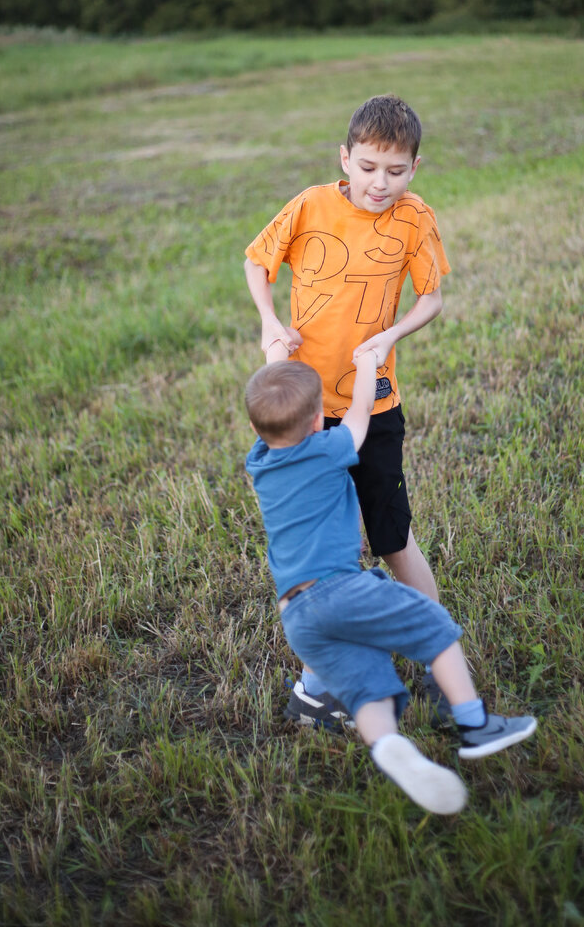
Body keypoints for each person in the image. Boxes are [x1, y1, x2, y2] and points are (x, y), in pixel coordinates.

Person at [244, 354, 537, 815]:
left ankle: (386, 746)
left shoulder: (259, 464)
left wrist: (276, 361)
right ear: (319, 419)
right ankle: (475, 724)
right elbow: (359, 417)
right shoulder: (326, 449)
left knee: (368, 689)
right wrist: (366, 369)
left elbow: (276, 414)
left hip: (297, 618)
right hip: (338, 590)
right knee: (434, 627)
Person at [244, 93, 454, 725]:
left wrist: (391, 336)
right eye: (367, 167)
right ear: (345, 158)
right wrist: (268, 322)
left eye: (395, 170)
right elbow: (258, 261)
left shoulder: (415, 219)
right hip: (309, 410)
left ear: (415, 167)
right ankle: (327, 681)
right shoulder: (311, 205)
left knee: (391, 537)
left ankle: (442, 663)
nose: (379, 183)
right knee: (324, 556)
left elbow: (432, 298)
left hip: (373, 406)